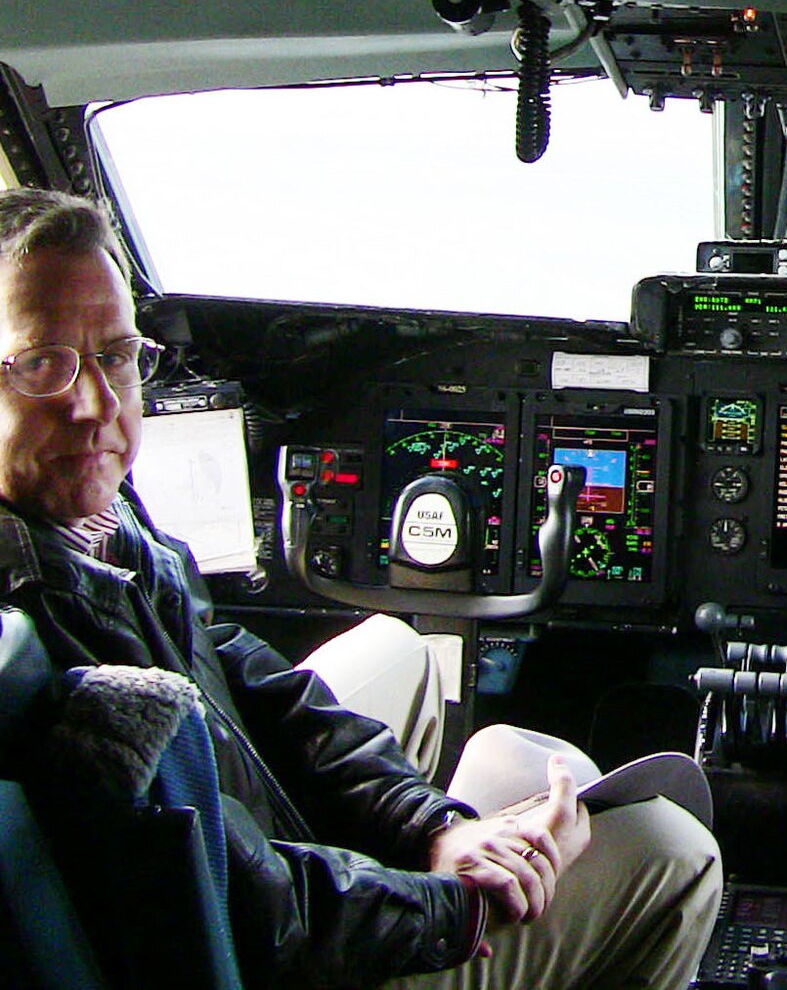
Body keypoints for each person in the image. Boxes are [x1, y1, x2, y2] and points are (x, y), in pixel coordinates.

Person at [0, 187, 723, 989]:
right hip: (270, 954)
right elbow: (250, 912)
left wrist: (433, 827)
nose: (97, 405)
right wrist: (458, 899)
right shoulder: (43, 660)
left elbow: (246, 679)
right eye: (42, 365)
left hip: (262, 867)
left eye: (116, 356)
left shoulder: (95, 517)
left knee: (397, 647)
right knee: (670, 851)